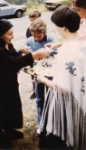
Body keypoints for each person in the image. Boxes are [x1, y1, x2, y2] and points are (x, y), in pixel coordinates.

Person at [0, 19, 52, 149]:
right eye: (10, 34)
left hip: (8, 83)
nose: (13, 37)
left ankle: (10, 130)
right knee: (1, 110)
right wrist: (36, 55)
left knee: (11, 106)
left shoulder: (5, 43)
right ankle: (3, 138)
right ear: (0, 34)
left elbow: (10, 58)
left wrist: (18, 52)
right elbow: (11, 63)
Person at [37, 6, 86, 149]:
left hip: (67, 106)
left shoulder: (65, 52)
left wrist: (43, 79)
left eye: (57, 26)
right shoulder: (83, 45)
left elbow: (61, 88)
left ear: (64, 27)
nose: (56, 29)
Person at [20, 18, 56, 135]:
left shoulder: (50, 39)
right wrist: (23, 50)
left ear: (44, 32)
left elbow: (58, 52)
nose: (36, 39)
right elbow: (21, 48)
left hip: (51, 73)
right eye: (34, 36)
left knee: (52, 99)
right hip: (37, 73)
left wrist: (51, 52)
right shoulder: (30, 40)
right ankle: (41, 124)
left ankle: (53, 123)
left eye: (39, 36)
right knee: (40, 99)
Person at [26, 10, 41, 99]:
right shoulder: (29, 30)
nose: (33, 22)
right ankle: (35, 90)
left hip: (42, 54)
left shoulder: (42, 27)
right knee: (33, 72)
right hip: (33, 54)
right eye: (32, 20)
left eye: (35, 19)